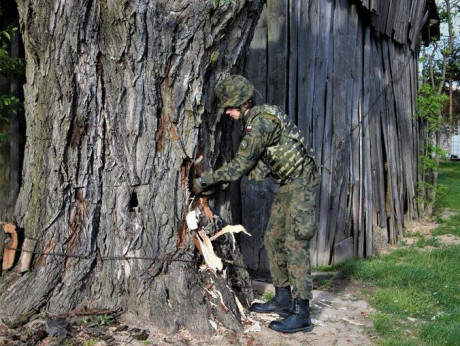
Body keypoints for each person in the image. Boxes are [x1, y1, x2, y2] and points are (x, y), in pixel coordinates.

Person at [192, 75, 320, 333]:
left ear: (243, 103)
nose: (227, 112)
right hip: (288, 184)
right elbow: (253, 170)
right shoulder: (256, 119)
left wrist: (204, 181)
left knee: (296, 242)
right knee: (273, 238)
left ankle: (302, 313)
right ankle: (283, 300)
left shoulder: (260, 124)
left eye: (230, 107)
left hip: (301, 184)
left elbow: (241, 165)